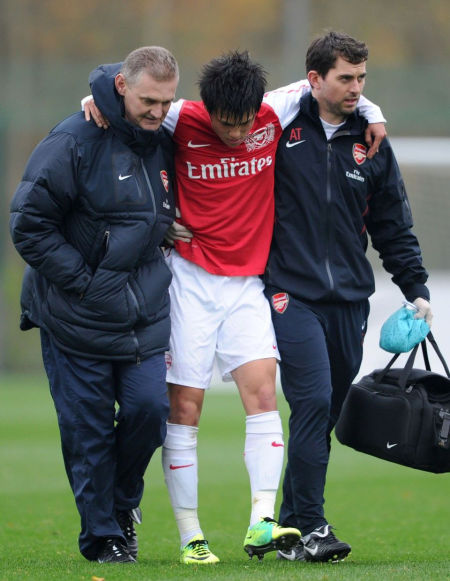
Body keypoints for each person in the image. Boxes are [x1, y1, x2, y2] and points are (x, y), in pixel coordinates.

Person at [83, 50, 387, 564]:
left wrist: (374, 113)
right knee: (185, 408)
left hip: (247, 285)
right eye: (226, 124)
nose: (238, 133)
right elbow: (128, 103)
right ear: (207, 109)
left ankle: (262, 522)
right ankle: (190, 536)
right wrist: (93, 99)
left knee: (264, 395)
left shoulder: (274, 109)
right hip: (190, 281)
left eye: (245, 123)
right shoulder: (181, 117)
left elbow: (332, 87)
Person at [263, 31, 433, 563]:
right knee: (312, 401)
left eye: (362, 78)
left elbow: (392, 224)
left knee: (326, 412)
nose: (356, 88)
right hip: (289, 293)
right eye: (345, 78)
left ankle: (290, 529)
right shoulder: (277, 129)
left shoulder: (373, 142)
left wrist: (416, 287)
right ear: (314, 80)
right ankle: (313, 527)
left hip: (350, 301)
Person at [9, 46, 179, 564]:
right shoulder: (72, 140)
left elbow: (250, 110)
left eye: (166, 102)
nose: (158, 112)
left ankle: (122, 507)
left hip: (142, 314)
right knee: (88, 432)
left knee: (150, 411)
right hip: (73, 315)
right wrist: (85, 283)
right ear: (121, 88)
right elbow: (27, 225)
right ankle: (103, 536)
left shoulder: (165, 138)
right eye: (148, 101)